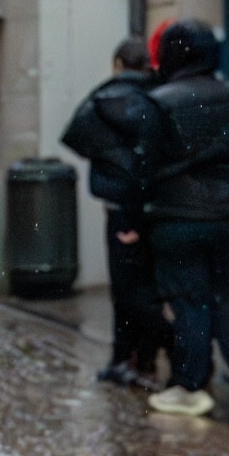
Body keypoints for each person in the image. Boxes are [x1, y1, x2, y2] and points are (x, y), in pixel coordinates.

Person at [139, 17, 229, 418]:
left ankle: (189, 387)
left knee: (189, 299)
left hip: (178, 216)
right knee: (224, 295)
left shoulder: (161, 101)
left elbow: (144, 163)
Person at [61, 36, 169, 387]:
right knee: (148, 286)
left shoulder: (102, 99)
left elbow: (75, 136)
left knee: (124, 289)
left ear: (118, 65)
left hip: (118, 204)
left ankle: (126, 357)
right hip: (154, 204)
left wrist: (108, 157)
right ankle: (145, 358)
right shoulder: (159, 97)